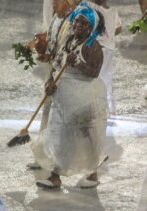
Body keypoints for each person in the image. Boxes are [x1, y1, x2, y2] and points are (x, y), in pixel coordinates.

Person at [31, 2, 108, 189]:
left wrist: (79, 63)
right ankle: (55, 176)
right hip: (65, 96)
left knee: (85, 136)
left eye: (84, 24)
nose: (78, 26)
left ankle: (92, 173)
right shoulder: (69, 40)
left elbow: (94, 72)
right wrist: (50, 82)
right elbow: (58, 63)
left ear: (91, 27)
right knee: (60, 136)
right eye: (77, 22)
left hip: (85, 99)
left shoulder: (93, 47)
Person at [27, 0, 74, 169]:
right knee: (46, 111)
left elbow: (68, 50)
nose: (52, 3)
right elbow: (53, 43)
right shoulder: (56, 19)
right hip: (52, 73)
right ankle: (42, 157)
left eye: (56, 1)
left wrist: (54, 72)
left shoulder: (72, 22)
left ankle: (61, 162)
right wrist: (45, 54)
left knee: (61, 118)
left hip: (64, 76)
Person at [89, 0, 122, 115]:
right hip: (110, 47)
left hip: (100, 47)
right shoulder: (113, 11)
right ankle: (111, 108)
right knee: (107, 77)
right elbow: (119, 28)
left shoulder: (95, 9)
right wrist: (110, 34)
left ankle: (100, 107)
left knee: (98, 77)